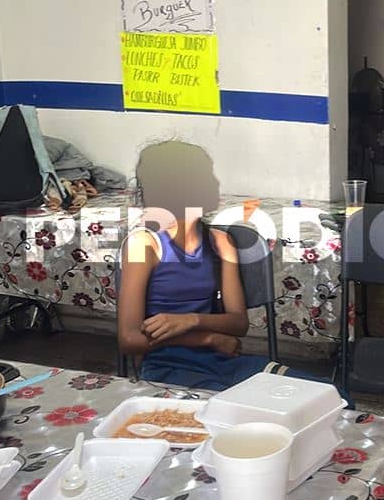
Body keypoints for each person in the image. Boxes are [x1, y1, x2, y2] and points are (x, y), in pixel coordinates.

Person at [117, 141, 335, 392]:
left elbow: (238, 323)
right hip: (166, 366)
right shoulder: (143, 244)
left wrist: (191, 320)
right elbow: (129, 339)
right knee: (231, 415)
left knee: (332, 396)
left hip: (221, 360)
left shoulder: (221, 242)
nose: (216, 183)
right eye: (205, 176)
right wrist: (207, 337)